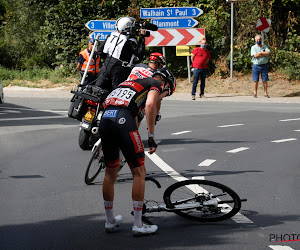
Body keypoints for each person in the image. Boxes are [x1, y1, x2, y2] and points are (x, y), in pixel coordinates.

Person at [98, 67, 176, 236]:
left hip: (105, 119)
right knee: (139, 172)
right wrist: (151, 136)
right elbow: (150, 105)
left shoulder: (127, 84)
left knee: (110, 173)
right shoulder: (155, 83)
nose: (163, 96)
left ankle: (109, 221)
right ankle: (138, 224)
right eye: (166, 92)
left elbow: (130, 116)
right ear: (165, 83)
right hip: (122, 119)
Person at [95, 16, 147, 92]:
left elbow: (100, 51)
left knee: (97, 90)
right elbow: (140, 54)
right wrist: (142, 38)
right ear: (128, 28)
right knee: (116, 93)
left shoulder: (111, 36)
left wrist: (108, 59)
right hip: (119, 71)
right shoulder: (130, 41)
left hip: (105, 67)